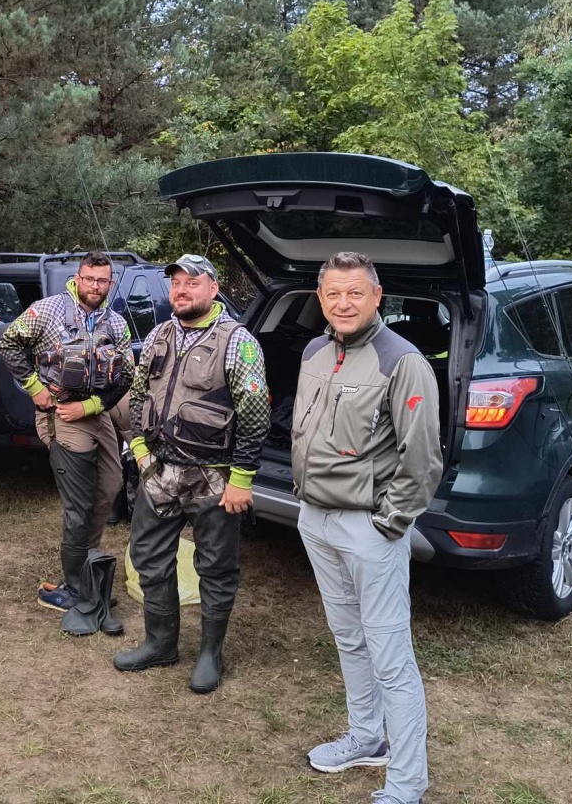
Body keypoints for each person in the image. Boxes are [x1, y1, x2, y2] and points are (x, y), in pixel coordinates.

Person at [291, 252, 442, 804]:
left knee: (390, 656)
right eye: (333, 293)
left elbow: (423, 459)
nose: (343, 303)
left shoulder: (403, 361)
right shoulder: (314, 351)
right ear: (320, 298)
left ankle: (407, 783)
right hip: (315, 520)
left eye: (355, 292)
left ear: (377, 296)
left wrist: (388, 524)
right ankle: (366, 737)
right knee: (348, 637)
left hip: (369, 528)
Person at [113, 254, 269, 694]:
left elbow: (256, 414)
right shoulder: (160, 333)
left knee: (216, 568)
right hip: (159, 474)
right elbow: (139, 394)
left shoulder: (237, 342)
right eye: (176, 283)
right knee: (148, 557)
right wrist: (139, 448)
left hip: (213, 479)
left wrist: (241, 479)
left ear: (213, 289)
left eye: (192, 282)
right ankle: (160, 644)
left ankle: (210, 654)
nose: (181, 290)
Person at [0, 251, 133, 619]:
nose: (95, 286)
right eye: (89, 278)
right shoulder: (47, 311)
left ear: (110, 283)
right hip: (60, 413)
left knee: (109, 487)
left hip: (94, 411)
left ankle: (88, 570)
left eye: (102, 280)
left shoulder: (116, 323)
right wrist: (34, 388)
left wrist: (91, 406)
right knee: (79, 504)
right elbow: (8, 344)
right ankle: (74, 588)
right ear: (78, 277)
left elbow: (126, 377)